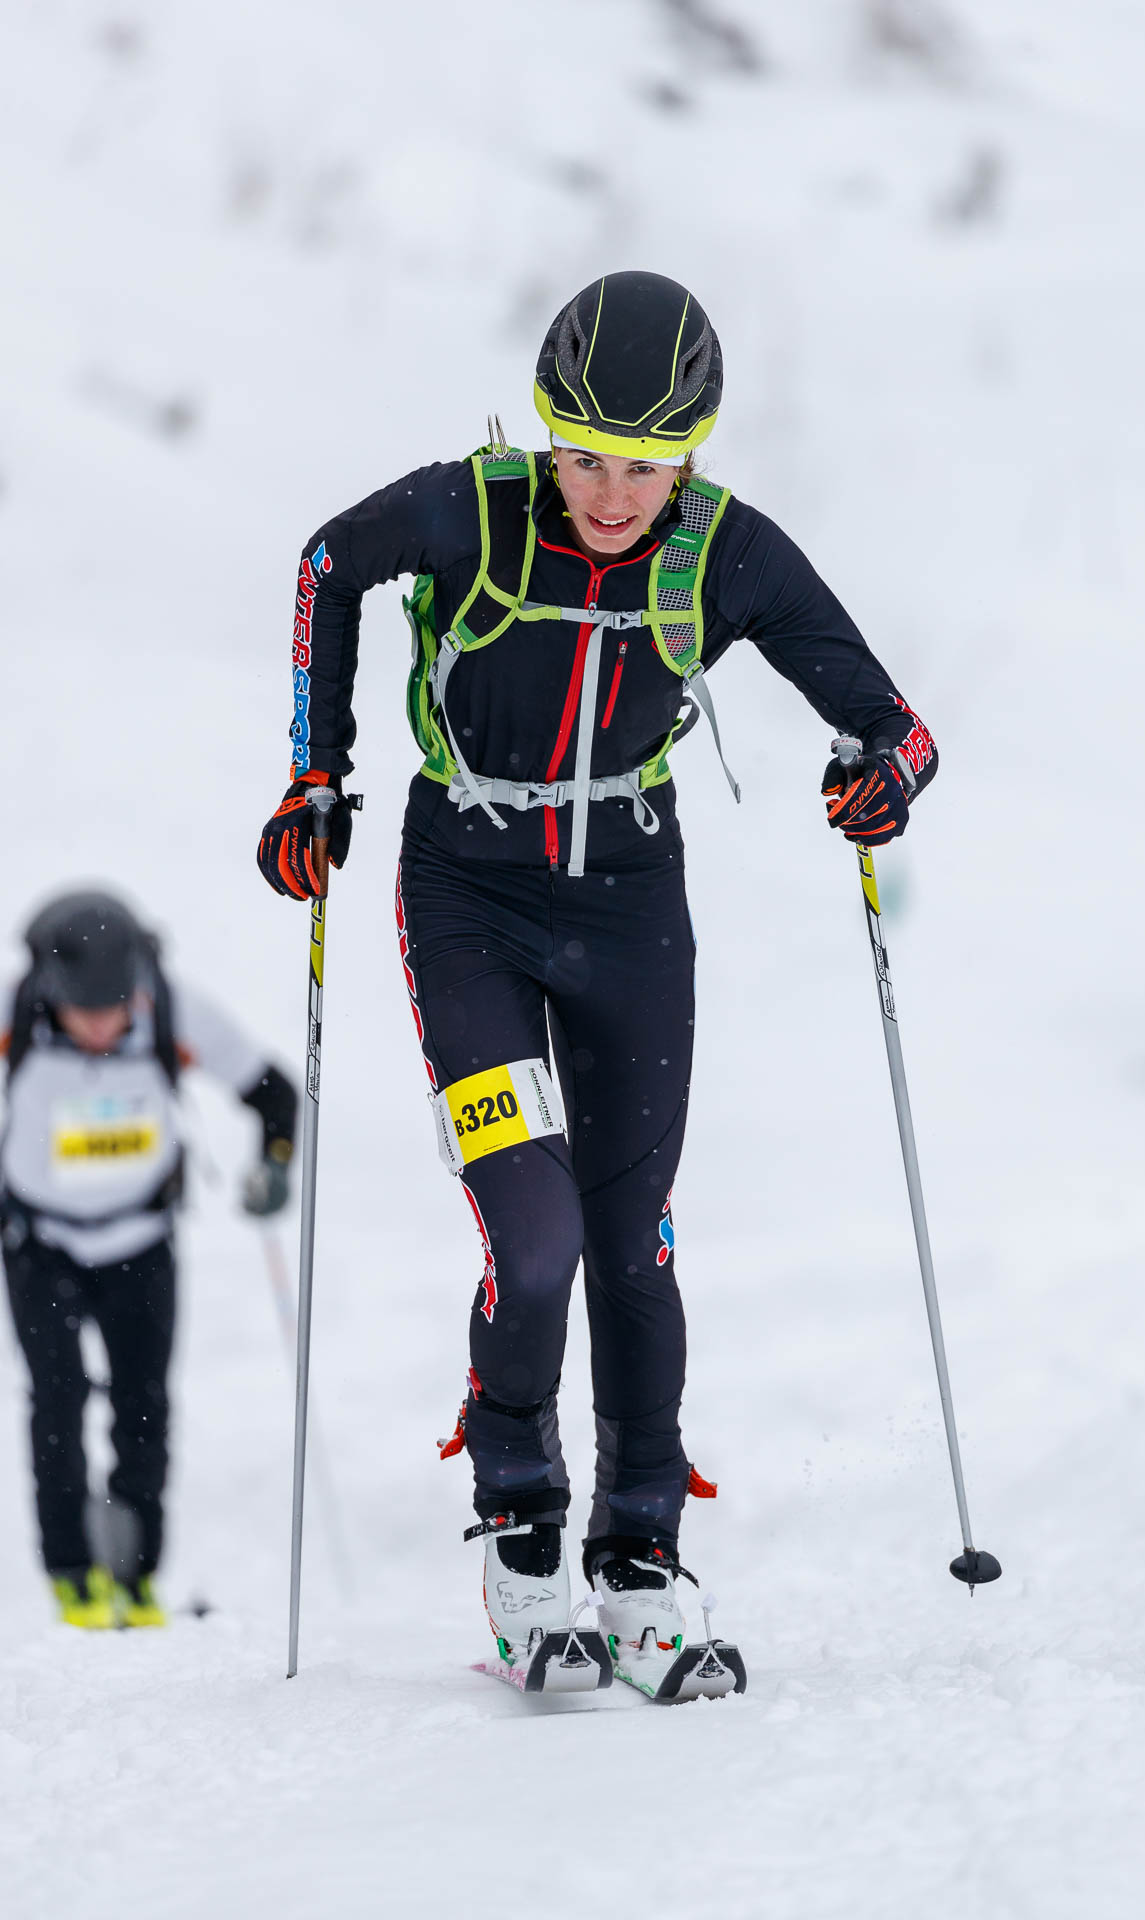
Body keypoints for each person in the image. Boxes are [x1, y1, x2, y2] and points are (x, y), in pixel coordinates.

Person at [256, 269, 938, 1691]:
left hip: (632, 901)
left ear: (688, 452)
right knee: (538, 1232)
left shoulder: (724, 551)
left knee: (634, 1242)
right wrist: (317, 773)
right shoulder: (476, 509)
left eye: (643, 465)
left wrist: (883, 778)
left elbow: (897, 722)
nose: (612, 495)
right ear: (544, 431)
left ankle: (639, 1565)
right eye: (582, 456)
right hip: (468, 898)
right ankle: (519, 1534)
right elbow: (331, 560)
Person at [1, 890, 298, 1628]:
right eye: (84, 1013)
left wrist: (274, 1164)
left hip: (141, 1243)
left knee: (144, 1403)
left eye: (115, 1008)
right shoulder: (15, 1015)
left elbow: (272, 1093)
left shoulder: (171, 1008)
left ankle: (136, 1573)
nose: (103, 1026)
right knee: (57, 1401)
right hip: (40, 1244)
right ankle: (72, 1572)